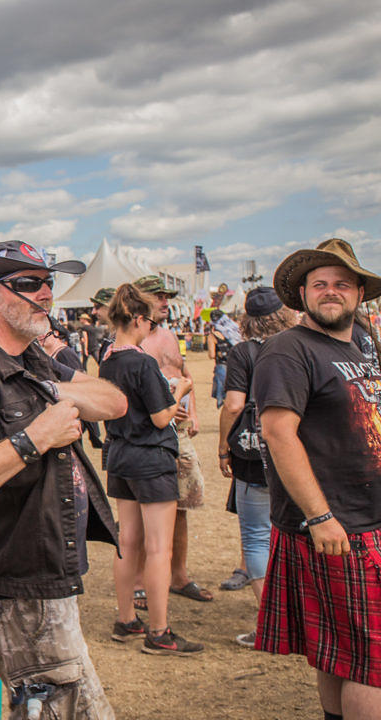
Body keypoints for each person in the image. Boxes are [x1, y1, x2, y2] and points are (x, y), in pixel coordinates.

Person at [0, 240, 126, 719]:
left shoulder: (32, 360)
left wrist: (56, 390)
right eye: (28, 284)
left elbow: (114, 402)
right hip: (18, 590)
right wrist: (33, 438)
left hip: (43, 578)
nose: (45, 295)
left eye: (47, 283)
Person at [253, 238, 381, 719]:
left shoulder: (363, 342)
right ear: (303, 294)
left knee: (339, 648)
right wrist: (320, 515)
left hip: (365, 515)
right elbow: (278, 433)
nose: (331, 292)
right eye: (320, 284)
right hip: (339, 521)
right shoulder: (287, 350)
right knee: (373, 662)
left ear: (359, 292)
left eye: (342, 284)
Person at [99, 284, 203, 656]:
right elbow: (161, 418)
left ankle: (126, 618)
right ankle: (159, 632)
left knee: (128, 541)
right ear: (139, 320)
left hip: (122, 456)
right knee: (158, 548)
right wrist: (181, 391)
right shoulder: (142, 361)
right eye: (151, 321)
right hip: (150, 456)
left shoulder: (107, 358)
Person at [217, 287, 297, 645]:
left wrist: (223, 446)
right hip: (296, 452)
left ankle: (271, 624)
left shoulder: (244, 351)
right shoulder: (299, 347)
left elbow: (234, 404)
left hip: (253, 454)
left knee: (256, 536)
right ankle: (301, 617)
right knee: (297, 534)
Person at [134, 275, 211, 603]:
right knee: (144, 508)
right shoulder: (130, 341)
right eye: (158, 296)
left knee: (181, 505)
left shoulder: (168, 335)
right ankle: (138, 579)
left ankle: (178, 575)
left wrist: (191, 413)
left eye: (167, 297)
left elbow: (185, 374)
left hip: (177, 433)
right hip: (149, 434)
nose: (166, 302)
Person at [206, 310, 233, 408]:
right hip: (235, 367)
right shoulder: (232, 332)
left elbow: (212, 355)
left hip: (222, 367)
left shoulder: (212, 336)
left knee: (225, 401)